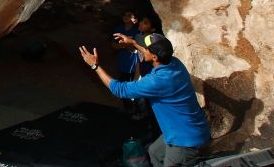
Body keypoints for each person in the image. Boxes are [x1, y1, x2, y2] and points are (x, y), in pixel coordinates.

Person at [79, 34, 211, 167]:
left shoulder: (157, 82)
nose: (143, 49)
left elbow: (120, 89)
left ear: (154, 57)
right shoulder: (174, 63)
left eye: (146, 48)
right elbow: (152, 54)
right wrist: (134, 43)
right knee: (154, 153)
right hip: (184, 129)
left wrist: (95, 66)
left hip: (185, 140)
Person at [112, 10, 140, 114]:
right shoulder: (118, 29)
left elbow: (138, 47)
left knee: (135, 86)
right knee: (124, 84)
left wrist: (125, 44)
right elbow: (113, 45)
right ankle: (128, 109)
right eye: (124, 14)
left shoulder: (137, 30)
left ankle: (138, 111)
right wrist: (127, 44)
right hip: (123, 62)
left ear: (135, 20)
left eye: (129, 15)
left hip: (135, 64)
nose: (125, 16)